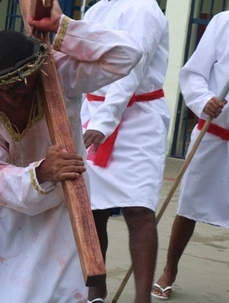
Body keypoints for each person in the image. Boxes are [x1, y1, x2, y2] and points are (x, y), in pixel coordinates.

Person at [0, 0, 145, 302]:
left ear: (34, 70)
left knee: (57, 292)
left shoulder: (56, 71)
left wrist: (62, 27)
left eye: (17, 86)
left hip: (60, 209)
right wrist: (41, 172)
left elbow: (127, 54)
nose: (8, 96)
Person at [152, 1, 229, 302]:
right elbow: (193, 73)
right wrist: (203, 99)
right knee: (189, 206)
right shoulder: (226, 22)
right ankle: (169, 270)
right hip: (213, 135)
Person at [80, 0, 170, 302]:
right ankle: (95, 287)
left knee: (139, 209)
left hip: (138, 120)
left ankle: (141, 298)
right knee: (93, 210)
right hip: (92, 111)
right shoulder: (96, 9)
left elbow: (131, 68)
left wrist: (105, 121)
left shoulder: (143, 8)